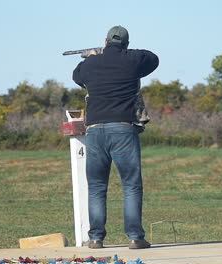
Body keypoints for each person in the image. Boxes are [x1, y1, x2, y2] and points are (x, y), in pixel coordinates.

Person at [72, 25, 159, 249]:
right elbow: (153, 58)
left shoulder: (90, 64)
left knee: (97, 186)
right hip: (123, 129)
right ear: (126, 44)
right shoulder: (133, 60)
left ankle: (96, 238)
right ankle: (135, 238)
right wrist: (123, 53)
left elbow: (76, 76)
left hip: (94, 131)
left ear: (105, 41)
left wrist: (93, 57)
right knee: (130, 185)